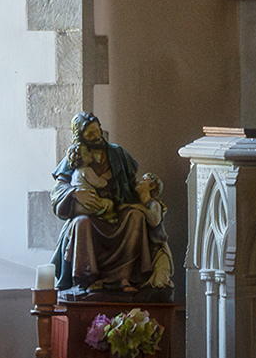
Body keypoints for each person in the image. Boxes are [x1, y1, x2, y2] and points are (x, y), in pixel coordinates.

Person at [52, 112, 173, 297]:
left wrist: (149, 201)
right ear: (80, 137)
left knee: (136, 216)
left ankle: (123, 278)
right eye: (90, 134)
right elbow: (59, 190)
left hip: (118, 211)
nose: (96, 137)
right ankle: (87, 281)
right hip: (90, 217)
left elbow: (133, 186)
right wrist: (74, 193)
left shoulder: (118, 154)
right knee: (80, 223)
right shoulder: (76, 157)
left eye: (97, 131)